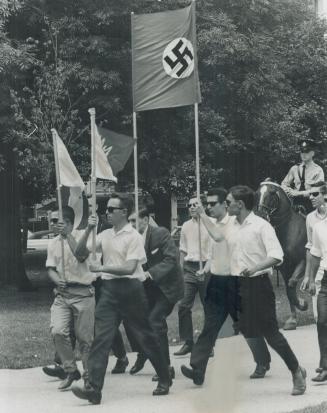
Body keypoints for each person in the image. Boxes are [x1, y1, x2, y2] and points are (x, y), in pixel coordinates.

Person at [184, 186, 306, 396]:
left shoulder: (261, 226)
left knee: (271, 333)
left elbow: (277, 255)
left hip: (257, 285)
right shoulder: (230, 227)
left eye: (229, 201)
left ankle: (296, 370)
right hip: (232, 284)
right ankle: (198, 368)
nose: (226, 204)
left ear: (239, 205)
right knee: (214, 324)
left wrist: (257, 267)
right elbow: (218, 237)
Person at [71, 193, 171, 405]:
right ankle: (94, 389)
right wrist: (89, 228)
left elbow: (129, 268)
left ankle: (164, 376)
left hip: (131, 290)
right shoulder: (105, 234)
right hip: (108, 291)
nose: (106, 213)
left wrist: (101, 267)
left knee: (145, 337)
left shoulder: (133, 236)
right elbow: (79, 252)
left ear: (123, 212)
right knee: (102, 339)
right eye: (106, 209)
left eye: (110, 209)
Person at [180, 188, 271, 385]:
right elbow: (214, 249)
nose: (210, 207)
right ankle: (197, 369)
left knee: (247, 326)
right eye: (208, 204)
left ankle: (263, 361)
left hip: (235, 282)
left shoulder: (233, 222)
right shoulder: (210, 222)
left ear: (224, 204)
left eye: (213, 204)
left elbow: (219, 237)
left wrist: (202, 215)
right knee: (209, 327)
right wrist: (206, 269)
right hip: (217, 282)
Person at [125, 207, 183, 382]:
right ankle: (143, 353)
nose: (132, 225)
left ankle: (166, 367)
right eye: (130, 221)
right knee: (133, 321)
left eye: (134, 220)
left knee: (155, 320)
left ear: (146, 219)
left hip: (167, 288)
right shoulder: (131, 239)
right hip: (147, 289)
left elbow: (171, 259)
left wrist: (151, 273)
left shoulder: (161, 233)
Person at [45, 206, 96, 390]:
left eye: (55, 220)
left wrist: (69, 236)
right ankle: (70, 370)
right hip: (62, 295)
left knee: (85, 339)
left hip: (83, 294)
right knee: (58, 331)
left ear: (67, 222)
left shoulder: (86, 236)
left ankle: (89, 378)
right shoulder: (53, 243)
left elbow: (81, 255)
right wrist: (57, 280)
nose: (52, 224)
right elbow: (50, 268)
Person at [174, 195, 213, 356]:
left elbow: (213, 253)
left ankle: (208, 345)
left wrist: (205, 270)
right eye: (189, 205)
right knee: (183, 305)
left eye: (195, 204)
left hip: (206, 267)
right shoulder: (185, 226)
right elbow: (183, 250)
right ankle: (188, 342)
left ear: (202, 206)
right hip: (189, 268)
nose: (191, 207)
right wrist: (180, 270)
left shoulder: (210, 225)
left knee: (208, 308)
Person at [305, 189, 327, 382]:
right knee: (322, 322)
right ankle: (326, 367)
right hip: (325, 279)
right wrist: (311, 279)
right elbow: (315, 254)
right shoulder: (319, 228)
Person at [301, 182, 327, 325]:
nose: (311, 197)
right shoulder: (310, 218)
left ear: (325, 195)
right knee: (320, 319)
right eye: (310, 194)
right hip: (318, 272)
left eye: (315, 194)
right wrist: (307, 277)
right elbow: (310, 247)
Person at [281, 139, 324, 214]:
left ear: (312, 153)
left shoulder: (318, 170)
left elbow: (318, 190)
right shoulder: (294, 168)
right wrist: (289, 191)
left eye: (307, 152)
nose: (303, 154)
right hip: (294, 205)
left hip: (312, 206)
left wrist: (298, 193)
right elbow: (284, 184)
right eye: (302, 152)